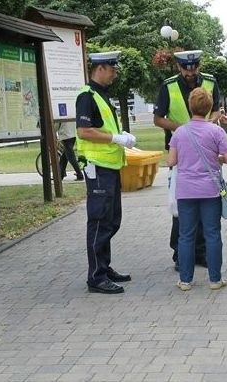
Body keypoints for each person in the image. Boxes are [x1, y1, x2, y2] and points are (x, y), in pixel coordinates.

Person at [154, 49, 225, 272]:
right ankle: (180, 254)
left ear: (199, 66)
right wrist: (183, 129)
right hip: (180, 148)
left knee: (206, 205)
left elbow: (216, 110)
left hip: (205, 151)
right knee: (181, 207)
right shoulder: (168, 86)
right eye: (186, 69)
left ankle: (201, 253)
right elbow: (158, 118)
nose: (190, 73)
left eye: (194, 69)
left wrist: (208, 124)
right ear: (179, 67)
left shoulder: (211, 82)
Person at [76, 51, 137, 295]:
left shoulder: (102, 94)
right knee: (100, 221)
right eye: (112, 69)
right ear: (100, 68)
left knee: (111, 220)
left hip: (109, 167)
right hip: (97, 167)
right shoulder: (86, 96)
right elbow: (83, 131)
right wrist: (116, 138)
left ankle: (104, 267)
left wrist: (121, 140)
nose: (115, 73)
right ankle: (96, 277)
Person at [166, 88, 227, 291]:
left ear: (190, 106)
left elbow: (171, 160)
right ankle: (215, 279)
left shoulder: (180, 132)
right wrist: (220, 158)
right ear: (208, 108)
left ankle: (185, 280)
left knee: (186, 235)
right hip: (210, 190)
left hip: (186, 191)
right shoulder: (216, 131)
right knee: (212, 234)